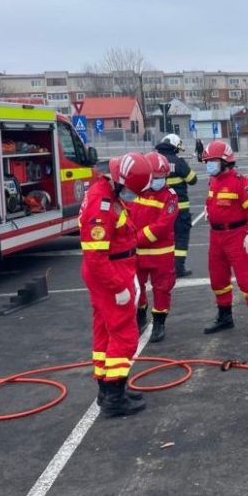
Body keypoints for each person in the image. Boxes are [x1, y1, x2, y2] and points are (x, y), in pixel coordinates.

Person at [80, 153, 153, 417]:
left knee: (104, 331)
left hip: (112, 271)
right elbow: (96, 257)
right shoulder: (101, 205)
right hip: (111, 274)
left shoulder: (107, 194)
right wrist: (118, 287)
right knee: (125, 335)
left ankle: (107, 389)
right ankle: (115, 396)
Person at [202, 140, 248, 340]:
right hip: (216, 236)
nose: (208, 165)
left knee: (246, 280)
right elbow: (211, 200)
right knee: (218, 279)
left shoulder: (241, 182)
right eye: (207, 161)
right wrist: (208, 210)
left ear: (225, 161)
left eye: (212, 161)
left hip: (237, 236)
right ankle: (225, 317)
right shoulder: (213, 180)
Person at [129, 152, 179, 343]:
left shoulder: (170, 196)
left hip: (161, 253)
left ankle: (159, 323)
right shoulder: (136, 193)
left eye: (162, 177)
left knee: (162, 289)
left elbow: (163, 225)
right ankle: (140, 317)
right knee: (136, 287)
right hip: (137, 253)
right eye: (156, 177)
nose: (160, 181)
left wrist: (136, 238)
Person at [156, 133, 198, 278]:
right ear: (174, 147)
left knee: (162, 238)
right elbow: (193, 180)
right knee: (181, 238)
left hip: (159, 209)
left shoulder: (154, 161)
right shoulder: (178, 162)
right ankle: (178, 268)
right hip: (180, 209)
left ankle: (162, 267)